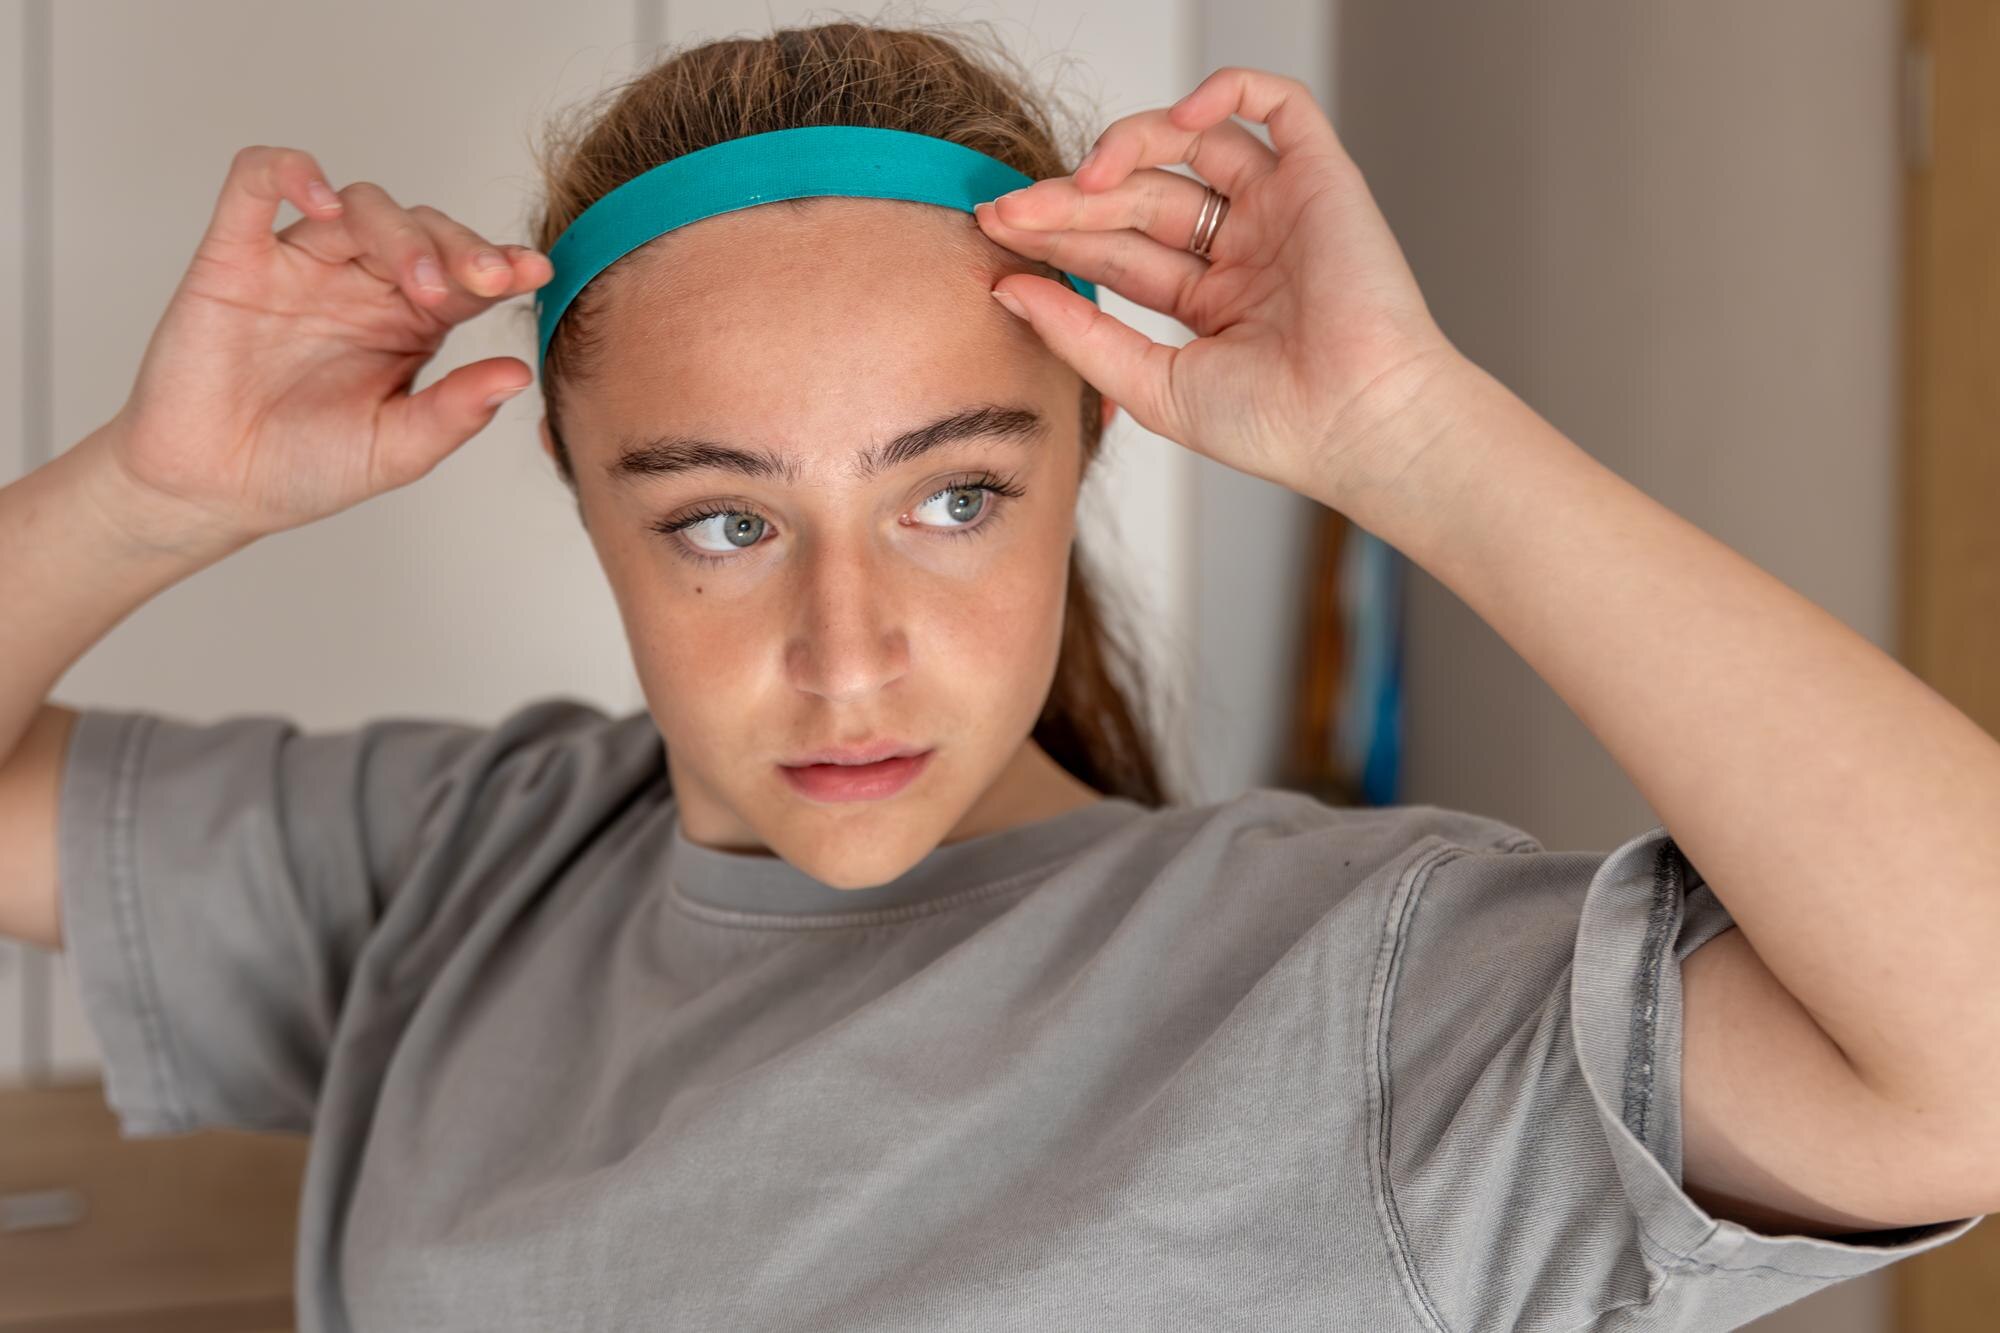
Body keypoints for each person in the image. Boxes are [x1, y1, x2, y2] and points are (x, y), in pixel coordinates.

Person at [0, 18, 1992, 1333]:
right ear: (583, 503)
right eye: (719, 520)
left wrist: (1416, 439)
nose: (845, 647)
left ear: (1082, 463)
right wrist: (150, 495)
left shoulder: (1362, 1003)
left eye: (952, 498)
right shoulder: (479, 856)